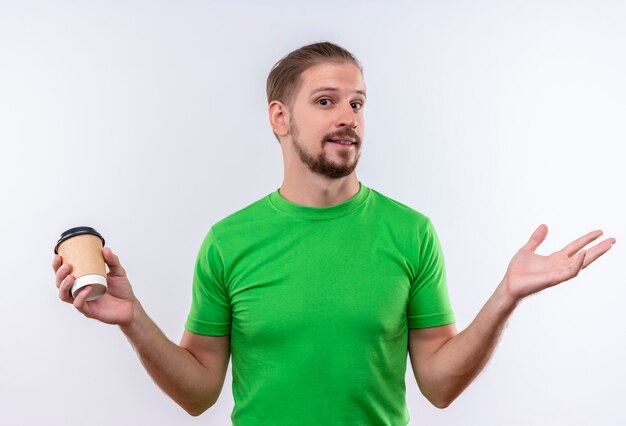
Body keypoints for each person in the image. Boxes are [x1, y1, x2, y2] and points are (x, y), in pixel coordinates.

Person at [53, 42, 616, 425]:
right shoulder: (228, 241)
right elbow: (199, 391)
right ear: (280, 118)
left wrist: (505, 296)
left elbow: (440, 386)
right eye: (326, 102)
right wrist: (132, 319)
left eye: (357, 103)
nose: (348, 115)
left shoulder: (410, 232)